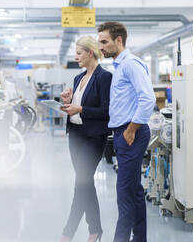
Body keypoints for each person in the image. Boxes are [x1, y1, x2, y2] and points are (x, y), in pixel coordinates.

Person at [97, 22, 156, 242]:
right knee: (134, 191)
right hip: (124, 133)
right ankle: (139, 238)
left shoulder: (130, 64)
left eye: (104, 41)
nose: (101, 47)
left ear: (118, 40)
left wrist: (131, 130)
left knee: (124, 194)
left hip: (131, 134)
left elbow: (148, 99)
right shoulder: (119, 66)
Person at [59, 35, 112, 242]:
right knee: (85, 184)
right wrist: (68, 101)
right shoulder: (78, 78)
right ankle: (96, 230)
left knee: (80, 183)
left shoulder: (104, 77)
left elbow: (107, 111)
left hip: (93, 138)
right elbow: (77, 107)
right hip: (76, 135)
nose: (76, 57)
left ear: (91, 53)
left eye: (79, 53)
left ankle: (67, 233)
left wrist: (80, 108)